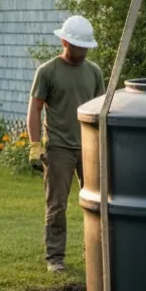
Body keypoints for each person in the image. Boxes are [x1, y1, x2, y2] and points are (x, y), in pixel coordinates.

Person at [28, 15, 104, 273]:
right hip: (59, 148)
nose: (82, 52)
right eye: (77, 47)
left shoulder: (94, 72)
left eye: (85, 47)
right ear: (64, 42)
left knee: (96, 203)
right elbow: (35, 110)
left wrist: (103, 145)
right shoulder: (47, 71)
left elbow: (100, 112)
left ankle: (95, 253)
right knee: (57, 204)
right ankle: (55, 258)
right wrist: (35, 145)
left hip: (89, 148)